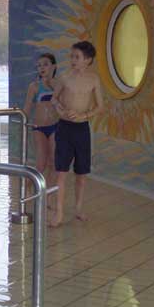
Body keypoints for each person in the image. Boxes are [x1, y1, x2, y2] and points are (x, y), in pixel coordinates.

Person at [49, 41, 104, 227]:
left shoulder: (93, 79)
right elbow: (54, 99)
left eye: (77, 57)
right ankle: (59, 212)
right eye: (72, 56)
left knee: (81, 173)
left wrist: (83, 116)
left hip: (82, 129)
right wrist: (60, 110)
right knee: (61, 172)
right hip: (64, 128)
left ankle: (78, 208)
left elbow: (100, 107)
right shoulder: (64, 77)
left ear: (88, 60)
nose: (73, 60)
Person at [22, 53, 59, 200]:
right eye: (39, 65)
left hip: (55, 126)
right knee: (41, 164)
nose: (41, 68)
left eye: (45, 64)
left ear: (54, 66)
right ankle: (28, 185)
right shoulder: (34, 86)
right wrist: (23, 122)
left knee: (54, 163)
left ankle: (46, 196)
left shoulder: (59, 85)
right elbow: (27, 107)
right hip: (39, 127)